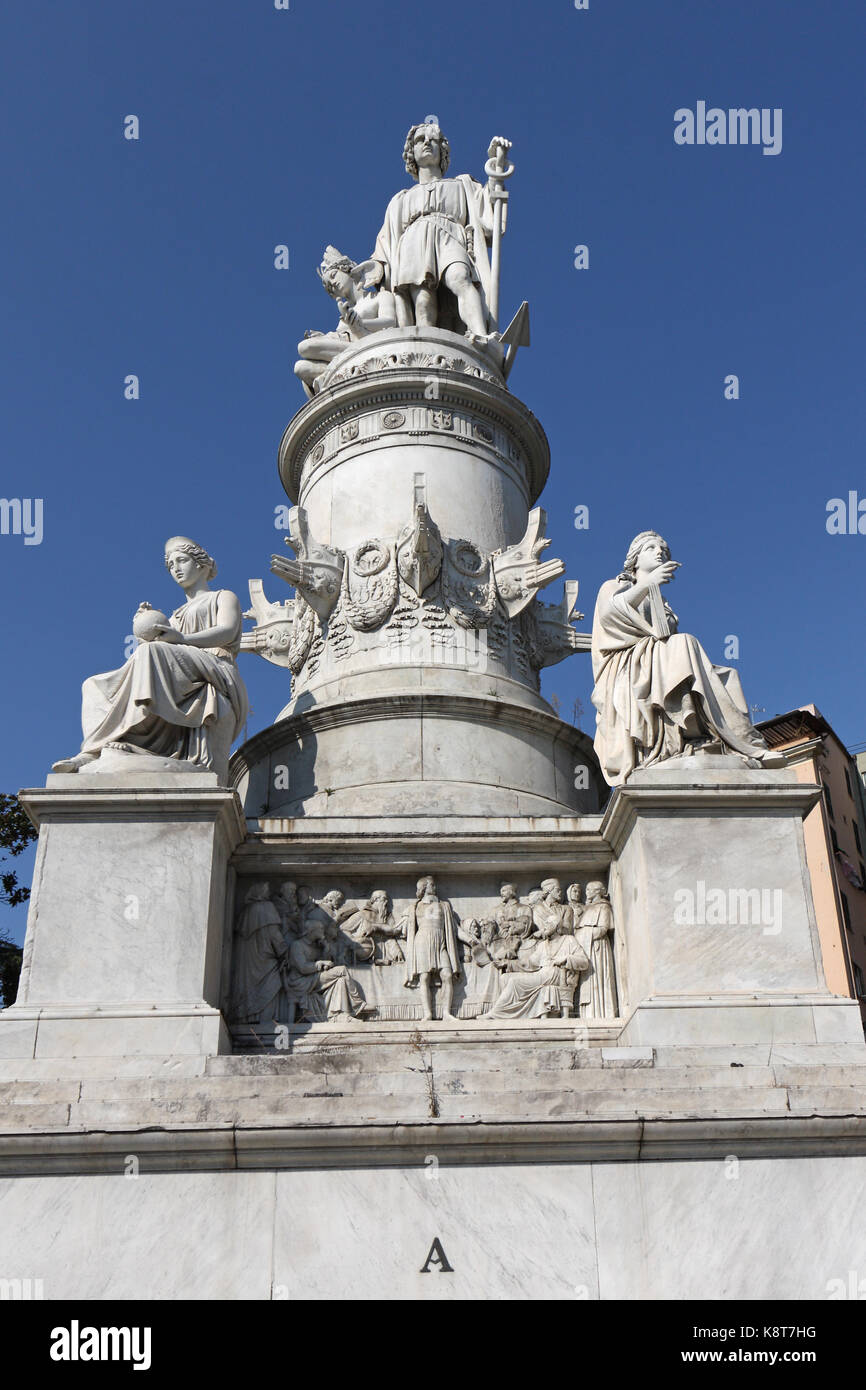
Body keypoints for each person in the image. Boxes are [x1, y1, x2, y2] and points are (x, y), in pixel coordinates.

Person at [590, 530, 785, 786]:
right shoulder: (614, 586)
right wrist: (646, 585)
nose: (660, 552)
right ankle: (717, 736)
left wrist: (654, 594)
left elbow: (663, 637)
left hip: (655, 658)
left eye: (664, 550)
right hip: (626, 665)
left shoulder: (663, 600)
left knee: (728, 676)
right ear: (635, 559)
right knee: (685, 643)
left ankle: (734, 742)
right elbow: (610, 616)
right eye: (651, 548)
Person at [52, 537, 248, 783]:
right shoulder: (175, 616)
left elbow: (227, 631)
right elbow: (162, 652)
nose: (175, 568)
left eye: (182, 560)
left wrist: (180, 638)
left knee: (150, 652)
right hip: (182, 666)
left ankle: (125, 732)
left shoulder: (223, 596)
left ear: (202, 565)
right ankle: (94, 750)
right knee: (93, 685)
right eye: (170, 564)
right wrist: (144, 627)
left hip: (215, 665)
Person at [369, 121, 510, 342]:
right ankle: (424, 348)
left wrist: (497, 164)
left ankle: (482, 337)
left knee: (461, 278)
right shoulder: (400, 200)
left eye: (433, 140)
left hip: (451, 236)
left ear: (442, 150)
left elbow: (488, 206)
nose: (426, 142)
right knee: (423, 301)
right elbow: (385, 243)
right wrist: (373, 269)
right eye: (420, 140)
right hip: (413, 243)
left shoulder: (462, 184)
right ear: (411, 153)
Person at [294, 246, 397, 397]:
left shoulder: (380, 297)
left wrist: (360, 323)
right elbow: (341, 335)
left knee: (304, 348)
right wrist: (324, 337)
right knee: (300, 367)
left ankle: (355, 365)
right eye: (329, 285)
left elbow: (390, 322)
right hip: (347, 346)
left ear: (346, 269)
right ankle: (345, 374)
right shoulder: (345, 312)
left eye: (334, 275)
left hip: (367, 342)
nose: (333, 283)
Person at [403, 875, 462, 1021]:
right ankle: (427, 1013)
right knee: (424, 977)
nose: (435, 888)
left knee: (447, 975)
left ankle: (446, 1013)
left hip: (440, 941)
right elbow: (401, 928)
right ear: (424, 888)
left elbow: (455, 929)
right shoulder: (414, 907)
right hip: (422, 942)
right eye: (432, 885)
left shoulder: (444, 906)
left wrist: (472, 941)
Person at [230, 883, 288, 1025]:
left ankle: (248, 1018)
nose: (268, 893)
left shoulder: (245, 912)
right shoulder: (266, 907)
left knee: (249, 988)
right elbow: (274, 934)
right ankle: (267, 1021)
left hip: (247, 960)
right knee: (271, 985)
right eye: (266, 890)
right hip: (264, 958)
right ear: (259, 893)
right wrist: (284, 951)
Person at [574, 882, 619, 1020]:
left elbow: (603, 929)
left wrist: (583, 934)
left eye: (589, 889)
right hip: (586, 948)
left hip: (597, 948)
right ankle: (588, 1013)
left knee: (597, 977)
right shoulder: (588, 908)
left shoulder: (604, 907)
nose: (586, 892)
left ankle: (601, 1013)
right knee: (587, 980)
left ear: (598, 891)